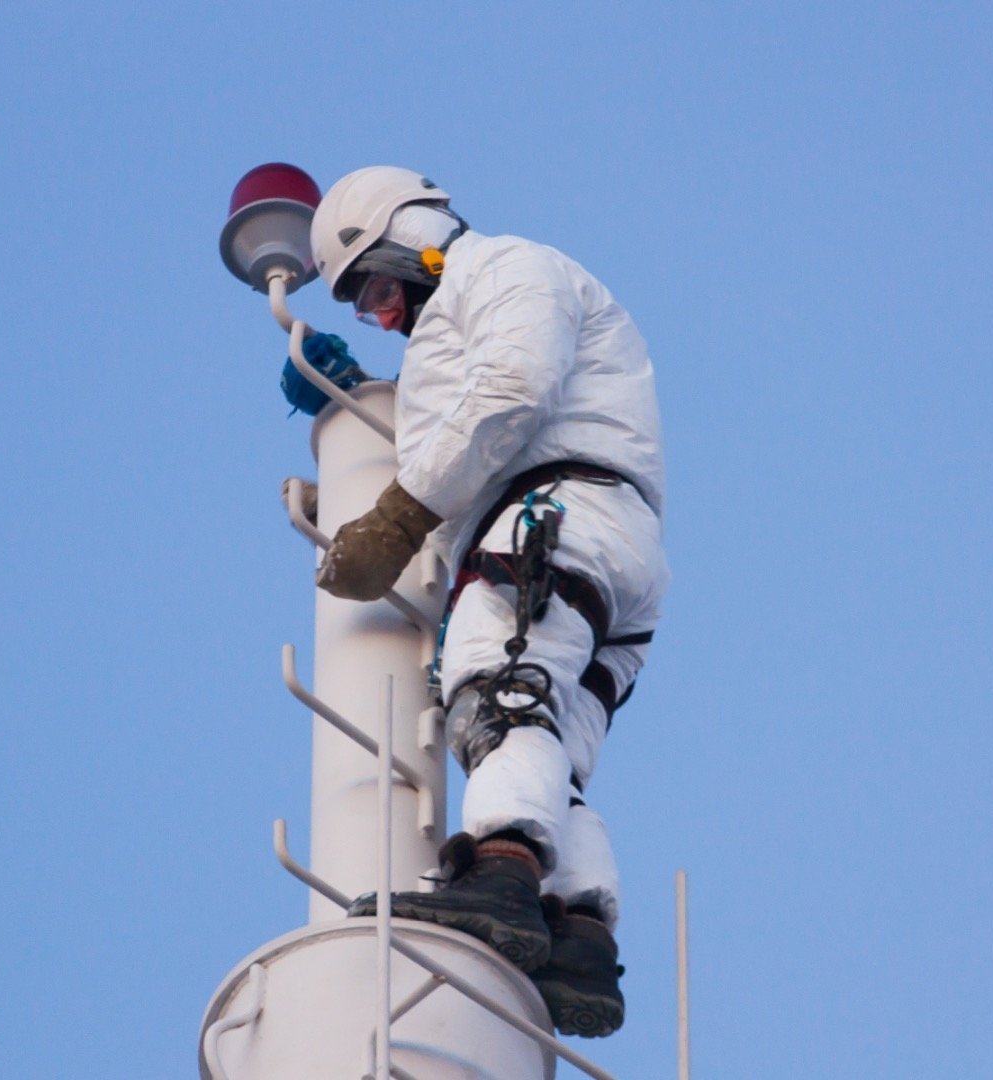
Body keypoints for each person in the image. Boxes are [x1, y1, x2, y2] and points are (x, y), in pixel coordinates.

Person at [304, 166, 667, 1038]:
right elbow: (467, 431)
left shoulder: (503, 268)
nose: (383, 315)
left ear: (413, 237)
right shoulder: (456, 320)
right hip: (600, 544)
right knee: (545, 745)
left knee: (499, 688)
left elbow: (511, 388)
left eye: (381, 288)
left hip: (559, 515)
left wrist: (396, 517)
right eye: (364, 306)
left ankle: (500, 878)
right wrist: (354, 405)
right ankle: (578, 935)